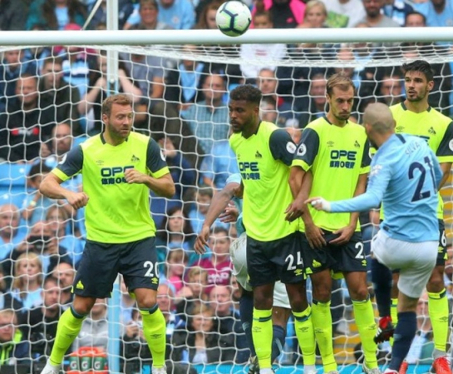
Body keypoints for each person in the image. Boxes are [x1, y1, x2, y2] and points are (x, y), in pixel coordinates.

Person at [37, 93, 176, 374]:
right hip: (101, 241)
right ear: (105, 119)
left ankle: (159, 367)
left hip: (139, 238)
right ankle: (53, 365)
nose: (127, 122)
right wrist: (67, 193)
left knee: (148, 300)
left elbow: (169, 187)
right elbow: (46, 183)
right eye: (121, 117)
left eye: (130, 117)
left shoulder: (145, 144)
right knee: (81, 306)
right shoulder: (86, 150)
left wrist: (146, 178)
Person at [309, 102, 443, 374]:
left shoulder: (383, 158)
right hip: (429, 244)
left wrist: (330, 205)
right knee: (408, 309)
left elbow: (373, 198)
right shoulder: (420, 144)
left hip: (397, 241)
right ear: (394, 124)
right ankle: (394, 368)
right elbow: (438, 174)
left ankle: (383, 315)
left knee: (377, 254)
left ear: (368, 128)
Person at [194, 85, 316, 374]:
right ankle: (264, 367)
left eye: (240, 111)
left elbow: (304, 169)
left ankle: (310, 367)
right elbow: (250, 183)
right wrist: (212, 221)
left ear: (255, 110)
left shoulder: (275, 136)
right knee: (261, 300)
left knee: (298, 300)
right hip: (257, 237)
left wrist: (301, 203)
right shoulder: (236, 142)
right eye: (231, 110)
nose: (233, 116)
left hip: (286, 233)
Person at [286, 73, 379, 374]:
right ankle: (328, 367)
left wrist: (353, 222)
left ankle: (373, 364)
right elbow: (296, 177)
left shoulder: (360, 133)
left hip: (347, 227)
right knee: (323, 293)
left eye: (350, 100)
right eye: (339, 100)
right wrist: (309, 222)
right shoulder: (314, 131)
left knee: (361, 291)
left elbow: (362, 179)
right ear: (327, 98)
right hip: (316, 228)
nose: (345, 105)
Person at [371, 60, 453, 374]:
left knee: (435, 280)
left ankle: (439, 356)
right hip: (394, 215)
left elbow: (444, 169)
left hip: (430, 215)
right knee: (396, 286)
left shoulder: (444, 123)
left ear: (430, 85)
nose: (411, 85)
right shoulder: (389, 117)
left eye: (418, 80)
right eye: (407, 80)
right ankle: (401, 358)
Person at [195, 172, 291, 373]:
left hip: (245, 246)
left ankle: (256, 356)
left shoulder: (240, 172)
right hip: (279, 243)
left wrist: (206, 225)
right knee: (279, 315)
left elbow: (228, 190)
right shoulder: (285, 171)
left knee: (247, 293)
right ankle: (266, 363)